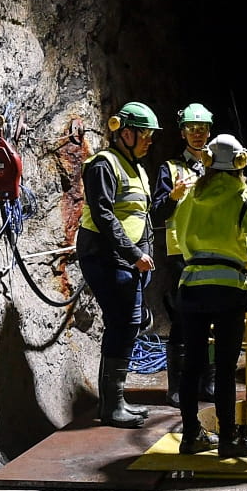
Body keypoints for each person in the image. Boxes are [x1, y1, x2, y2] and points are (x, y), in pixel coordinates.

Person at [172, 134, 247, 457]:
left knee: (192, 365)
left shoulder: (192, 193)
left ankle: (191, 435)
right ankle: (229, 439)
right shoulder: (240, 194)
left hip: (192, 286)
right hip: (228, 290)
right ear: (240, 163)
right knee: (224, 367)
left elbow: (178, 235)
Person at [75, 101, 172, 428]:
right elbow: (103, 215)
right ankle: (112, 404)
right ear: (126, 132)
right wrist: (133, 254)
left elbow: (139, 216)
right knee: (125, 322)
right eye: (145, 134)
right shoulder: (103, 165)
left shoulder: (137, 168)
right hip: (104, 255)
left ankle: (113, 402)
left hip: (126, 258)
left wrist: (144, 251)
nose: (149, 140)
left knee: (126, 323)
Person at [158, 103, 216, 407]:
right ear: (182, 132)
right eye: (192, 129)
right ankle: (177, 387)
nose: (198, 134)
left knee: (211, 319)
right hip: (181, 253)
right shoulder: (170, 169)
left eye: (203, 128)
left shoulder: (218, 166)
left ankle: (209, 383)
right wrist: (173, 196)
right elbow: (156, 211)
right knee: (182, 318)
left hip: (213, 252)